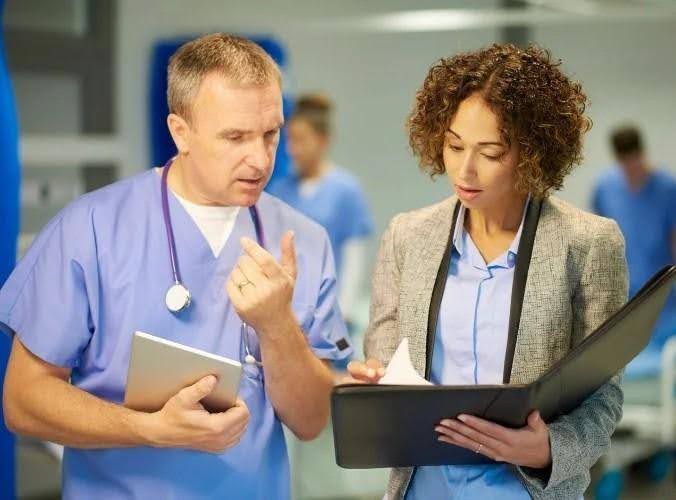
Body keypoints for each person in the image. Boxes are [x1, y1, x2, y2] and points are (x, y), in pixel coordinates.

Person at [0, 33, 351, 499]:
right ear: (179, 131)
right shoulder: (91, 229)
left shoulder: (302, 241)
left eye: (271, 134)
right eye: (235, 137)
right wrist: (149, 428)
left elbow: (310, 421)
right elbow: (23, 401)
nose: (260, 158)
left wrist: (276, 325)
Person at [348, 44, 628, 499]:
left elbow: (604, 396)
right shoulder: (407, 236)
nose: (465, 169)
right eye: (454, 145)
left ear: (532, 151)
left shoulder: (588, 243)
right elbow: (382, 353)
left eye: (491, 152)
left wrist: (548, 449)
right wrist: (375, 381)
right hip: (423, 487)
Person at [267, 94, 374, 329]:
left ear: (323, 140)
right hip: (289, 311)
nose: (293, 149)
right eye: (290, 140)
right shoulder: (279, 189)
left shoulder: (346, 190)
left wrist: (344, 310)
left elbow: (354, 254)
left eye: (301, 140)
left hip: (330, 312)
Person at [592, 125, 675, 366]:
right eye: (624, 165)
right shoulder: (605, 188)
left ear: (642, 154)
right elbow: (599, 236)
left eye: (635, 163)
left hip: (663, 297)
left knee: (666, 365)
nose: (631, 171)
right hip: (623, 296)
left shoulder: (667, 189)